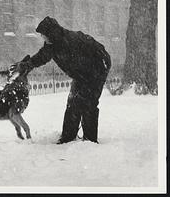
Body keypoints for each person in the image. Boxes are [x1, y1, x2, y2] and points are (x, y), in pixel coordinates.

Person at [10, 16, 111, 144]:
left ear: (51, 33)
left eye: (43, 35)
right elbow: (42, 57)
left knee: (88, 103)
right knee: (72, 101)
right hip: (82, 72)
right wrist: (27, 65)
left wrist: (86, 86)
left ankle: (90, 140)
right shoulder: (52, 44)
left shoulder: (70, 42)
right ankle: (68, 137)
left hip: (98, 66)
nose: (43, 38)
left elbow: (85, 64)